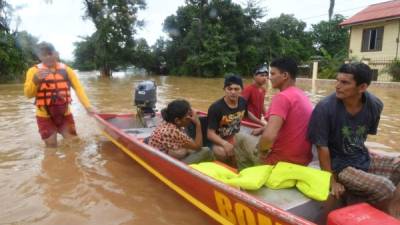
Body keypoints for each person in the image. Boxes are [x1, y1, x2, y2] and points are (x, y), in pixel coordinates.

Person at [308, 62, 400, 219]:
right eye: (337, 81)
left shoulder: (375, 105)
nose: (337, 86)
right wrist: (332, 182)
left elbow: (361, 138)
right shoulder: (325, 108)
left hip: (361, 157)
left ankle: (392, 213)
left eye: (344, 82)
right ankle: (386, 217)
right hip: (339, 165)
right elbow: (322, 148)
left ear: (362, 87)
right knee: (384, 187)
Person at [236, 57, 313, 169]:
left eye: (272, 74)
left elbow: (268, 137)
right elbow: (289, 124)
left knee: (239, 137)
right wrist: (263, 128)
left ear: (285, 76)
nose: (269, 78)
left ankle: (246, 178)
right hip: (302, 159)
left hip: (280, 161)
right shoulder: (301, 95)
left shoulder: (282, 97)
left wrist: (262, 154)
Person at [24, 42, 95, 147]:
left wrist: (88, 106)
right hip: (44, 116)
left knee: (74, 143)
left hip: (65, 114)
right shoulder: (33, 71)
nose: (48, 57)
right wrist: (35, 81)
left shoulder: (67, 70)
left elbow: (79, 89)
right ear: (39, 57)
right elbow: (28, 94)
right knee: (51, 147)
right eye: (44, 55)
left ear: (56, 54)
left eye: (50, 53)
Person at [207, 75, 261, 165]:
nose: (233, 92)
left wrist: (262, 123)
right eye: (229, 89)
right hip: (218, 141)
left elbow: (247, 114)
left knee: (255, 149)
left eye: (236, 89)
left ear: (241, 90)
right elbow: (210, 134)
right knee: (223, 153)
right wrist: (225, 144)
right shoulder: (216, 107)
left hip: (235, 136)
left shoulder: (242, 101)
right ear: (224, 89)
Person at [148, 99, 214, 164]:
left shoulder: (167, 121)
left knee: (188, 148)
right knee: (206, 151)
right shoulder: (174, 132)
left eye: (190, 114)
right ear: (177, 120)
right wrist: (198, 124)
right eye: (188, 116)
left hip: (159, 156)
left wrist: (190, 111)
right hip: (166, 164)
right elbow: (198, 146)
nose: (190, 118)